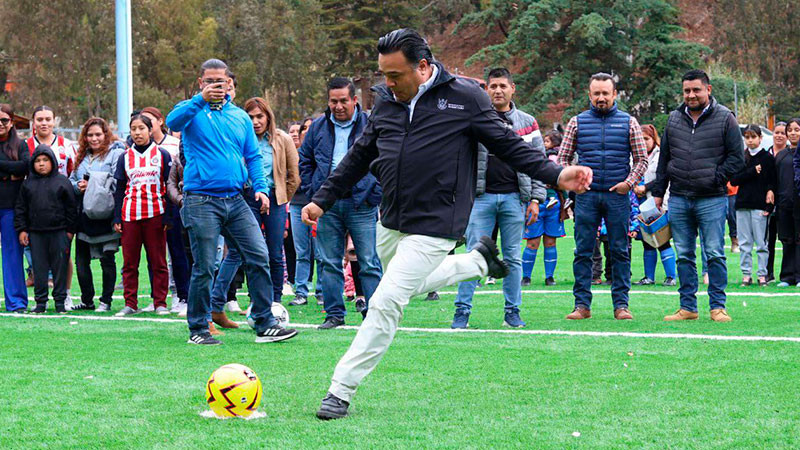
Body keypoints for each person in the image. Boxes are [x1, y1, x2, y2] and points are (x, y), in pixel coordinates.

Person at [302, 29, 592, 419]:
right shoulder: (387, 103)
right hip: (390, 219)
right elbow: (357, 157)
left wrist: (556, 175)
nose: (386, 84)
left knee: (386, 300)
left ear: (423, 68)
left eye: (394, 75)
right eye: (383, 75)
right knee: (404, 286)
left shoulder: (465, 98)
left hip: (438, 222)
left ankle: (340, 390)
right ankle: (476, 263)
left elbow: (508, 145)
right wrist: (322, 199)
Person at [165, 58, 298, 345]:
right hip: (201, 199)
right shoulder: (189, 112)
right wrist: (199, 100)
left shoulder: (239, 117)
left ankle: (264, 323)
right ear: (201, 83)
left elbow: (252, 155)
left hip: (236, 199)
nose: (216, 86)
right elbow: (171, 122)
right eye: (210, 81)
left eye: (221, 81)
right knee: (205, 265)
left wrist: (261, 189)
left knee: (259, 255)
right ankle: (199, 329)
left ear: (229, 84)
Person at [451, 67, 547, 329]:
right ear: (486, 90)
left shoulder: (528, 122)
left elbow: (539, 162)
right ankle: (462, 312)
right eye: (493, 86)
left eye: (503, 85)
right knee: (473, 255)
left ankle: (512, 313)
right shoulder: (475, 121)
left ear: (512, 88)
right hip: (480, 198)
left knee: (513, 257)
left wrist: (537, 199)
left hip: (515, 198)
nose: (498, 90)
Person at [653, 69, 745, 322]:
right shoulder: (673, 119)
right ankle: (688, 307)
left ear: (708, 90)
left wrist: (715, 178)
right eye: (686, 90)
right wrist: (659, 192)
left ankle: (718, 306)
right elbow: (665, 159)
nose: (691, 95)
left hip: (712, 198)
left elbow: (737, 158)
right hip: (680, 198)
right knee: (683, 254)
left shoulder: (726, 118)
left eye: (696, 90)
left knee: (714, 252)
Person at [557, 73, 647, 321]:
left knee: (620, 250)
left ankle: (621, 305)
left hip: (617, 197)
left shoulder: (629, 122)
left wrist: (628, 184)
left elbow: (642, 160)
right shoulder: (577, 122)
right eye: (596, 93)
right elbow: (562, 160)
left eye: (605, 93)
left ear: (614, 94)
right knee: (583, 251)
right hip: (586, 198)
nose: (601, 98)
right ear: (590, 94)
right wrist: (574, 185)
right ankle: (582, 305)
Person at [298, 77, 383, 329]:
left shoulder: (371, 125)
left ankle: (374, 314)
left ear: (354, 100)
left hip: (362, 202)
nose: (338, 106)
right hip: (327, 204)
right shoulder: (317, 127)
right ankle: (334, 314)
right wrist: (315, 192)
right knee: (328, 261)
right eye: (333, 101)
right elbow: (305, 160)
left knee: (368, 261)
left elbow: (384, 159)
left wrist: (373, 189)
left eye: (343, 101)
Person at [209, 96, 300, 325]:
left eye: (260, 116)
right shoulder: (239, 138)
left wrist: (282, 197)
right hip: (244, 198)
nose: (256, 121)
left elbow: (293, 175)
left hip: (274, 198)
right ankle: (217, 302)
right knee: (239, 252)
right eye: (250, 117)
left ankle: (273, 302)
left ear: (268, 116)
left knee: (274, 252)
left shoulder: (283, 139)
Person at [112, 115, 172, 316]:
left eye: (141, 128)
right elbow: (120, 189)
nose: (137, 133)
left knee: (158, 261)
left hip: (156, 214)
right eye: (133, 129)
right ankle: (130, 303)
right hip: (130, 215)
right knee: (129, 263)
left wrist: (168, 216)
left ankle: (160, 302)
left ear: (149, 130)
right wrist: (117, 217)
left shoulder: (162, 154)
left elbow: (168, 186)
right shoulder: (124, 157)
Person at [69, 118, 124, 312]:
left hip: (107, 214)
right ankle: (87, 300)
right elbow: (71, 181)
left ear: (106, 134)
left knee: (107, 259)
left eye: (98, 134)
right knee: (81, 261)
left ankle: (106, 301)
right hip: (84, 216)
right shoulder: (81, 157)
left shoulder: (116, 154)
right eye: (90, 135)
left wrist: (92, 184)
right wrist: (78, 186)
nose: (94, 139)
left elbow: (118, 181)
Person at [15, 145, 77, 314]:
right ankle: (40, 302)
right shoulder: (27, 184)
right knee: (39, 269)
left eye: (45, 160)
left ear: (53, 162)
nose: (41, 164)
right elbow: (21, 209)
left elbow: (72, 208)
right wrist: (22, 229)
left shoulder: (63, 182)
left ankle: (59, 302)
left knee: (60, 267)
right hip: (36, 233)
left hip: (60, 232)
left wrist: (70, 231)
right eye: (38, 161)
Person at [26, 105, 77, 308]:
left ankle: (66, 293)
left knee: (64, 255)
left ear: (54, 120)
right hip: (35, 209)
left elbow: (74, 174)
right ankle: (41, 298)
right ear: (34, 122)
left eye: (48, 119)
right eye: (40, 119)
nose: (44, 123)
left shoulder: (67, 146)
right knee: (37, 257)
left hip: (61, 209)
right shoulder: (26, 145)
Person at [141, 106, 189, 313]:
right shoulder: (139, 149)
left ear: (160, 121)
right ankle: (157, 296)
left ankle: (182, 295)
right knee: (155, 254)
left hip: (172, 204)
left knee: (177, 251)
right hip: (150, 206)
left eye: (149, 120)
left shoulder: (174, 144)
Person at [632, 124, 677, 286]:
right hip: (640, 203)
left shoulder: (660, 155)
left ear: (653, 138)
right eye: (641, 139)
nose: (643, 142)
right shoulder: (634, 156)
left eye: (646, 139)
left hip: (657, 201)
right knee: (647, 241)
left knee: (662, 239)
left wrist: (646, 187)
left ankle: (671, 276)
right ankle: (648, 277)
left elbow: (662, 177)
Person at [731, 125, 775, 286]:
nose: (750, 140)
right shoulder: (741, 157)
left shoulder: (767, 158)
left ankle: (762, 274)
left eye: (753, 137)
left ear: (760, 138)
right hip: (742, 204)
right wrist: (751, 171)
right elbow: (734, 180)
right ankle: (746, 274)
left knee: (761, 243)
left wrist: (768, 207)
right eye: (747, 137)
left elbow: (772, 183)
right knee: (744, 243)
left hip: (759, 206)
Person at [522, 129, 567, 286]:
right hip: (535, 203)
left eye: (547, 141)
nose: (544, 143)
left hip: (554, 204)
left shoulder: (560, 159)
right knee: (532, 242)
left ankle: (550, 277)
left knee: (550, 242)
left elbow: (564, 179)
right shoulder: (533, 157)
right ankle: (525, 277)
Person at [0, 104, 30, 312]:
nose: (0, 124)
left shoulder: (21, 145)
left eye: (4, 120)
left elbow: (25, 166)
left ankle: (16, 303)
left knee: (12, 255)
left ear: (11, 122)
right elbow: (17, 168)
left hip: (11, 208)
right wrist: (10, 172)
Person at [773, 121, 800, 286]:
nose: (793, 133)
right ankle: (787, 276)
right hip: (784, 203)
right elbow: (774, 180)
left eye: (797, 130)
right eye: (789, 130)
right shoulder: (781, 155)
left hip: (799, 203)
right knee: (787, 239)